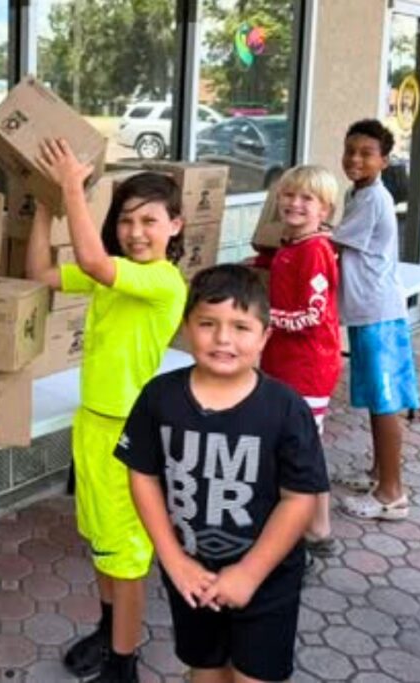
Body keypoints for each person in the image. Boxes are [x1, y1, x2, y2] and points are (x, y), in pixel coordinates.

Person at [119, 264, 329, 683]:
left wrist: (249, 573)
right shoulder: (158, 397)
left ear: (265, 336)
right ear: (185, 327)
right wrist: (173, 559)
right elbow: (143, 475)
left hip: (268, 577)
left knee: (254, 675)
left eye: (241, 326)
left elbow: (300, 498)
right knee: (205, 667)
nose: (223, 339)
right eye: (208, 323)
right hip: (191, 575)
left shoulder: (286, 409)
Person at [27, 139, 187, 682]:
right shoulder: (116, 274)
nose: (135, 232)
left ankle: (124, 664)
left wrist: (73, 185)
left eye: (149, 221)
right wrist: (45, 201)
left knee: (128, 556)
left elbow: (91, 261)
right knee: (100, 540)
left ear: (176, 226)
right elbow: (40, 274)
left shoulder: (162, 282)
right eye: (125, 220)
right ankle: (107, 630)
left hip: (130, 434)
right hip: (92, 424)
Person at [332, 119, 420, 521]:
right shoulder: (360, 192)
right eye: (350, 150)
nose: (355, 159)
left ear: (384, 160)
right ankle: (378, 473)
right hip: (370, 311)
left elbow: (331, 243)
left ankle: (391, 493)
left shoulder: (372, 199)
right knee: (374, 399)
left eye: (366, 153)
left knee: (384, 404)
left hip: (378, 313)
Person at [252, 165, 341, 557]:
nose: (295, 203)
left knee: (300, 450)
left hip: (307, 368)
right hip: (285, 364)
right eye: (289, 195)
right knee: (302, 446)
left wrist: (263, 320)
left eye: (307, 198)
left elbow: (312, 314)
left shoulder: (315, 251)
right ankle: (314, 527)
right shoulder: (290, 245)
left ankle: (311, 530)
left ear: (325, 209)